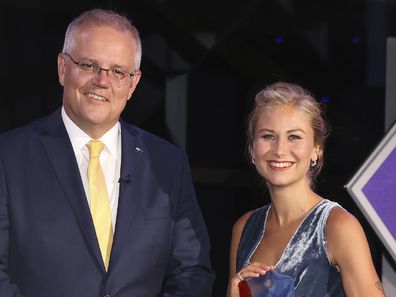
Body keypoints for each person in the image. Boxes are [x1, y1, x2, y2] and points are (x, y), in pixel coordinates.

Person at [0, 8, 214, 297]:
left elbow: (191, 270)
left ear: (133, 83)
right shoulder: (8, 157)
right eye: (88, 65)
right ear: (63, 68)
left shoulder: (167, 163)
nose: (102, 81)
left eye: (117, 71)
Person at [227, 82, 386, 297]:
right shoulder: (244, 228)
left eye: (294, 137)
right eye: (268, 136)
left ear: (316, 150)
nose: (280, 150)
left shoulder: (337, 226)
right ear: (252, 149)